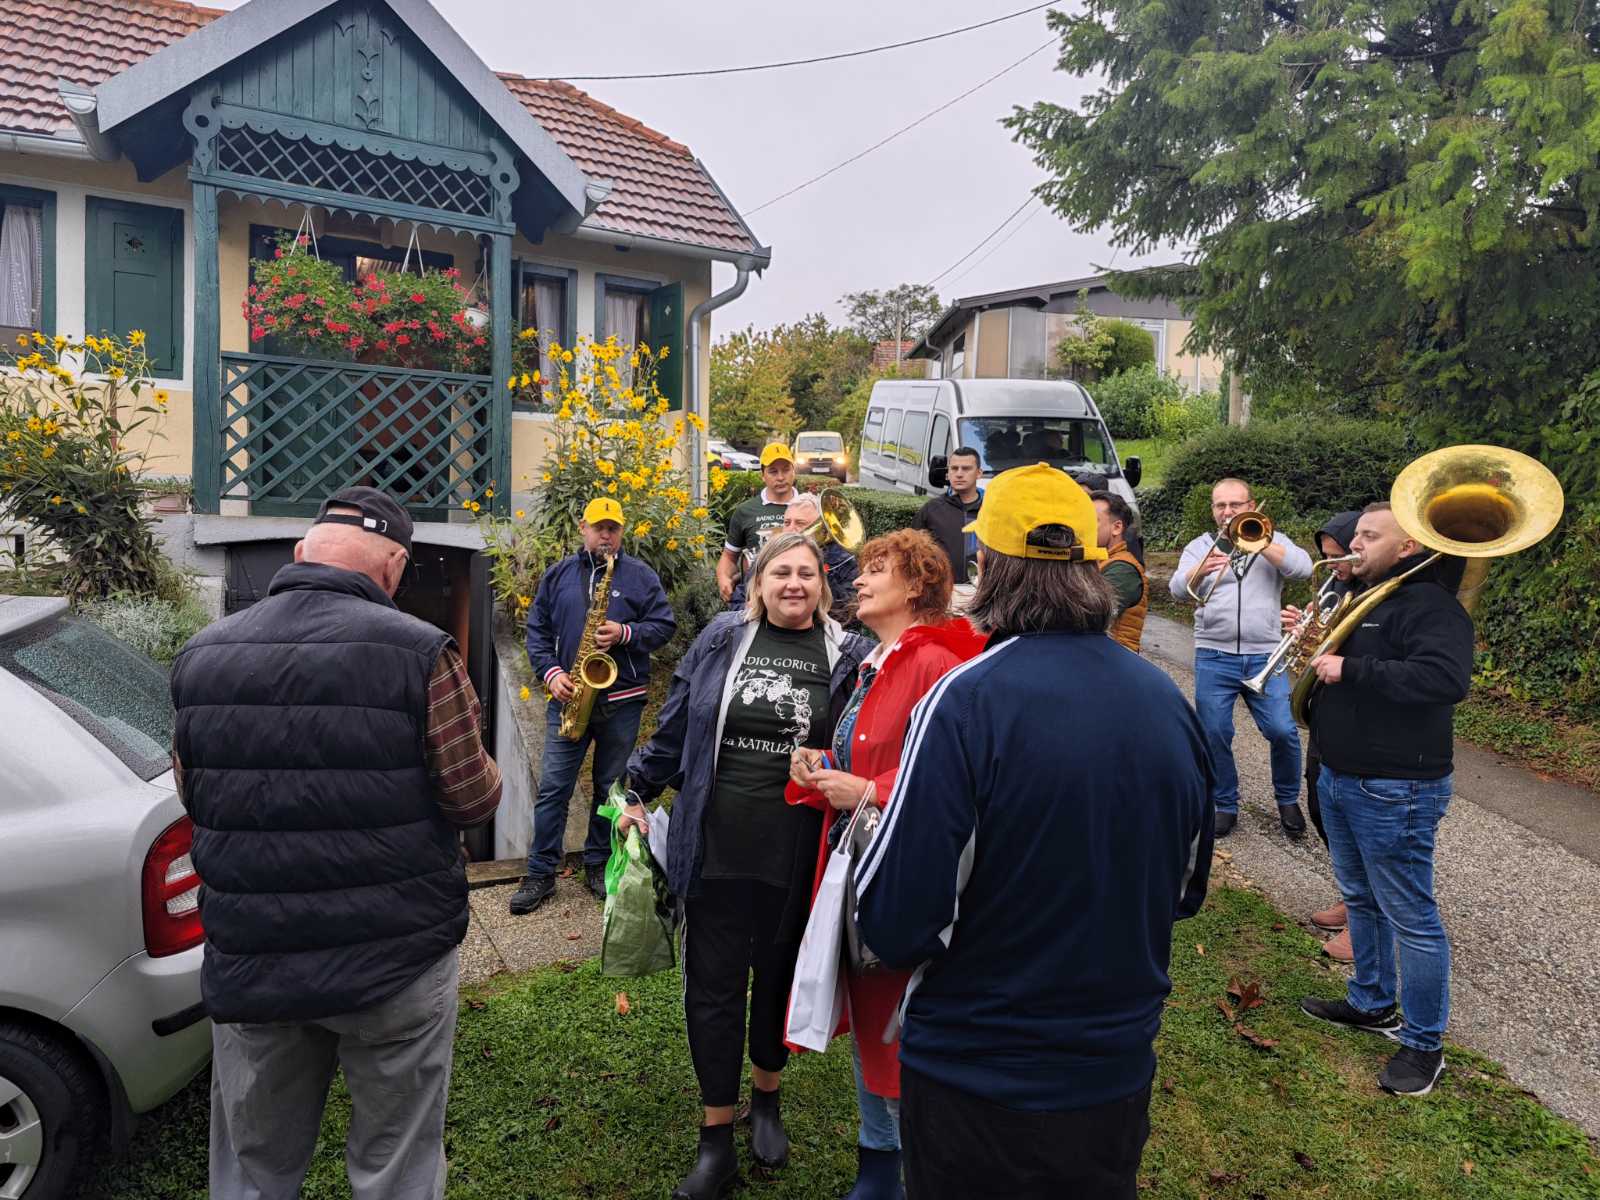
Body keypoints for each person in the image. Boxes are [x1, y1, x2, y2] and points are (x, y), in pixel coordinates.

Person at [854, 464, 1212, 1200]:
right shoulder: (1165, 701)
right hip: (1112, 1074)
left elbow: (895, 921)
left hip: (974, 1077)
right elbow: (1187, 887)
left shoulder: (964, 700)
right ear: (1090, 563)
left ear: (985, 566)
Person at [170, 487, 502, 1200]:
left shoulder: (201, 656)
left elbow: (192, 794)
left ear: (299, 555)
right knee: (397, 1166)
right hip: (395, 960)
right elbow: (472, 798)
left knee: (254, 1171)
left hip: (254, 959)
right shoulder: (422, 653)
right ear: (394, 568)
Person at [618, 533, 872, 1199]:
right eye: (781, 573)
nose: (794, 584)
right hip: (718, 845)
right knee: (713, 988)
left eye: (806, 574)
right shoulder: (724, 638)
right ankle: (715, 1138)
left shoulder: (848, 653)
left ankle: (766, 1097)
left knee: (780, 978)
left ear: (823, 585)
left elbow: (865, 744)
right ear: (757, 583)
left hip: (798, 854)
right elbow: (675, 726)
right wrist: (636, 791)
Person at [786, 529, 986, 1200]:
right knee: (873, 1013)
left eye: (878, 570)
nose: (859, 580)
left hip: (903, 873)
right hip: (866, 866)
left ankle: (913, 1172)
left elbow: (963, 770)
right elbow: (869, 749)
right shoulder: (881, 656)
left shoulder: (937, 661)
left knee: (898, 1020)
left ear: (919, 588)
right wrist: (821, 769)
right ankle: (878, 1166)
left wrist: (869, 790)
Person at [1298, 501, 1473, 1098]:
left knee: (1412, 917)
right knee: (1360, 899)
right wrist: (1314, 640)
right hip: (1344, 775)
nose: (1355, 545)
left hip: (1396, 785)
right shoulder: (1365, 599)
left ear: (1406, 548)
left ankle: (1424, 1045)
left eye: (1370, 537)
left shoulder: (1431, 606)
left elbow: (1447, 681)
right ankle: (1372, 1002)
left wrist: (1353, 669)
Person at [510, 497, 676, 913]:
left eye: (613, 528)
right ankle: (540, 872)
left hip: (622, 700)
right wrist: (551, 674)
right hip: (568, 698)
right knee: (553, 790)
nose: (605, 535)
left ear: (621, 532)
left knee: (610, 788)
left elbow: (663, 626)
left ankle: (597, 864)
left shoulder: (640, 576)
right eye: (598, 527)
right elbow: (538, 631)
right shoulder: (559, 575)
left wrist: (624, 632)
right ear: (582, 527)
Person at [1170, 477, 1313, 838]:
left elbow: (1304, 568)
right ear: (1213, 510)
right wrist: (1199, 569)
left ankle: (1286, 799)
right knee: (1214, 732)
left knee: (1283, 730)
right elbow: (1176, 591)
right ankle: (1225, 804)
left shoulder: (1273, 539)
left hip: (1264, 654)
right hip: (1214, 655)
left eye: (1235, 505)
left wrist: (1261, 543)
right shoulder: (1200, 546)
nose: (1228, 511)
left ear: (1251, 506)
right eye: (1220, 505)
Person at [1281, 510, 1363, 962]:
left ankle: (1368, 917)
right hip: (1325, 713)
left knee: (1358, 823)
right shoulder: (1335, 586)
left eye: (1341, 556)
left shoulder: (1380, 595)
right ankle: (1352, 899)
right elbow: (1315, 653)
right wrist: (1304, 632)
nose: (1333, 566)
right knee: (1321, 807)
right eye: (1327, 557)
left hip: (1359, 720)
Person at [730, 492, 859, 623]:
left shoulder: (844, 563)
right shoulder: (766, 556)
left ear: (823, 529)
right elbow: (738, 599)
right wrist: (748, 609)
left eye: (800, 523)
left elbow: (846, 614)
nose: (791, 529)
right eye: (787, 523)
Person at [717, 441, 798, 604]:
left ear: (794, 471)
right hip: (754, 598)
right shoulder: (745, 511)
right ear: (762, 475)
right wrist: (723, 577)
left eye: (786, 470)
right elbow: (729, 556)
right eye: (773, 472)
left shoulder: (809, 507)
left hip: (797, 594)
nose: (781, 477)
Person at [911, 445, 983, 582]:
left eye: (966, 468)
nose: (959, 474)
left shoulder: (991, 510)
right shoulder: (931, 510)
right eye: (954, 468)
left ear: (979, 473)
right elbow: (912, 552)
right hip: (942, 593)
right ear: (947, 474)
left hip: (985, 593)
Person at [1090, 490, 1147, 653]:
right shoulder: (1095, 562)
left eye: (1092, 521)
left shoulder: (1123, 569)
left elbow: (1090, 618)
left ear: (1117, 528)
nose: (1083, 527)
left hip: (1113, 664)